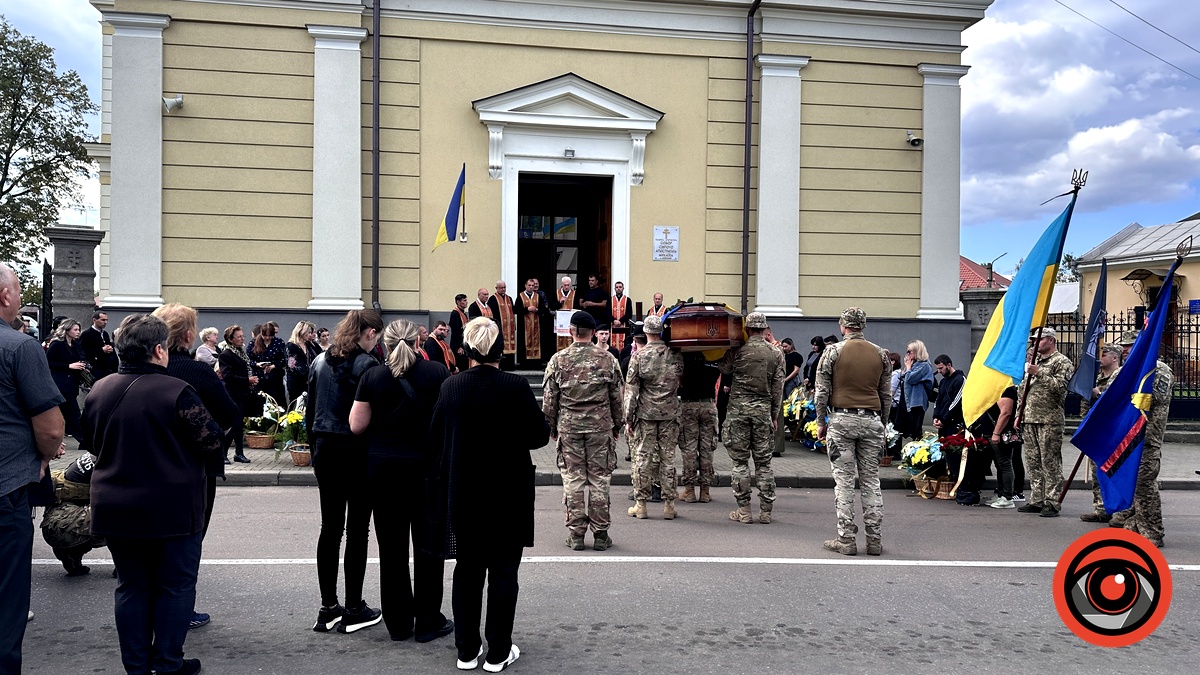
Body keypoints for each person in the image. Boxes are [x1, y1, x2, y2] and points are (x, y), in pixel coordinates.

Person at [83, 314, 225, 675]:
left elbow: (89, 441)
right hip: (172, 508)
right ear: (159, 349)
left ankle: (136, 666)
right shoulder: (176, 391)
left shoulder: (100, 389)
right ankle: (167, 663)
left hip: (115, 506)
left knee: (131, 586)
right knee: (175, 586)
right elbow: (211, 442)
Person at [431, 317, 549, 672]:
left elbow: (436, 434)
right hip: (507, 493)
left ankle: (466, 650)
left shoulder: (451, 387)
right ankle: (498, 651)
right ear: (501, 350)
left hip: (464, 491)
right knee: (502, 573)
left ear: (466, 351)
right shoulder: (514, 387)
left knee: (467, 572)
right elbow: (538, 437)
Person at [349, 319, 453, 642]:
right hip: (426, 471)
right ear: (418, 343)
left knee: (392, 549)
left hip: (384, 471)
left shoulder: (372, 376)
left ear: (386, 344)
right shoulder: (436, 373)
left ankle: (398, 623)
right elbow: (447, 420)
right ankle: (427, 621)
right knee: (428, 548)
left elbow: (356, 425)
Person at [152, 303, 240, 630]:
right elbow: (230, 414)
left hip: (151, 467)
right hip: (195, 467)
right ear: (189, 335)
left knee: (156, 541)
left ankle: (158, 605)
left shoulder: (145, 369)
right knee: (189, 541)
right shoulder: (197, 372)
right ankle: (179, 609)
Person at [0, 263, 65, 673]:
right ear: (5, 296)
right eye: (20, 289)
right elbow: (52, 427)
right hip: (6, 490)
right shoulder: (19, 347)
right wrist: (43, 456)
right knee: (6, 602)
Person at [306, 309, 384, 634]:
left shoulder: (320, 360)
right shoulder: (367, 365)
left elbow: (310, 409)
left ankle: (328, 607)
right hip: (355, 452)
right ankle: (353, 607)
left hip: (325, 449)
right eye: (377, 336)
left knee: (330, 527)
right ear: (369, 333)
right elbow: (374, 416)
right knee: (357, 530)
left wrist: (314, 452)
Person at [543, 311, 623, 551]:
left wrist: (552, 426)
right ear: (591, 333)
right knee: (599, 479)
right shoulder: (608, 359)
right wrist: (617, 425)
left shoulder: (558, 360)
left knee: (573, 478)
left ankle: (576, 534)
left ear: (571, 331)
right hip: (600, 428)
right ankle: (600, 534)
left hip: (569, 428)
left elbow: (549, 399)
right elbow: (617, 398)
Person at [814, 307, 891, 556]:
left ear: (843, 326)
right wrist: (883, 425)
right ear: (863, 326)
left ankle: (846, 539)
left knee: (844, 482)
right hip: (872, 422)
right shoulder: (881, 354)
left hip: (842, 420)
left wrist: (820, 421)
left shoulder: (833, 352)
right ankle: (874, 540)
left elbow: (821, 391)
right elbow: (886, 396)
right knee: (871, 481)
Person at [718, 312, 785, 524]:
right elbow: (778, 388)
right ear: (765, 329)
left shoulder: (737, 349)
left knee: (739, 462)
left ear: (747, 328)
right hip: (763, 411)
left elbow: (723, 368)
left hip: (738, 411)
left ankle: (744, 510)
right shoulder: (776, 353)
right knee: (764, 463)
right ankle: (766, 512)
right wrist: (774, 415)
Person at [624, 314, 684, 520]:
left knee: (643, 457)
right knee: (668, 459)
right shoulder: (674, 354)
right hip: (669, 413)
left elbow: (631, 391)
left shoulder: (638, 356)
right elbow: (679, 380)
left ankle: (641, 504)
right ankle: (669, 505)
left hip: (646, 414)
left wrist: (628, 419)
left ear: (646, 333)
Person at [1016, 327, 1074, 518]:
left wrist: (1039, 373)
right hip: (1030, 418)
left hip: (1049, 420)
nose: (1034, 343)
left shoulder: (1061, 362)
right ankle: (1037, 499)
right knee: (1033, 461)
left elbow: (1061, 388)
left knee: (1050, 461)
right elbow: (1022, 390)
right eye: (1033, 340)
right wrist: (1018, 414)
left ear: (1050, 340)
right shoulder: (1034, 361)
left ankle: (1052, 501)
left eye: (1039, 340)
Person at [41, 451, 106, 576]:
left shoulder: (101, 449)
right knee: (127, 513)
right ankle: (126, 565)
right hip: (64, 525)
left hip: (59, 520)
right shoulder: (116, 458)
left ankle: (71, 555)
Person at [1079, 344, 1121, 523]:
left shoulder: (1120, 378)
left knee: (1113, 473)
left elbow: (1118, 402)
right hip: (1097, 433)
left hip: (1114, 433)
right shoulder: (1096, 379)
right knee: (1097, 472)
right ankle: (1100, 508)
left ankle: (1118, 510)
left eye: (1104, 355)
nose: (1100, 358)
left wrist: (1099, 393)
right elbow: (1085, 404)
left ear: (1114, 358)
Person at [678, 352, 720, 503]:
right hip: (708, 404)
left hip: (688, 404)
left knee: (689, 449)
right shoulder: (715, 355)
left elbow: (679, 379)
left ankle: (689, 490)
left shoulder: (684, 355)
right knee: (707, 449)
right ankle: (705, 491)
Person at [46, 318, 90, 446]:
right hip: (61, 382)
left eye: (79, 330)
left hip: (72, 382)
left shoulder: (75, 344)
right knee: (73, 412)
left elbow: (81, 357)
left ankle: (81, 439)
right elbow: (49, 362)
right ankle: (84, 441)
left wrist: (83, 366)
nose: (78, 332)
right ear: (67, 330)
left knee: (67, 413)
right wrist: (68, 366)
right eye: (75, 330)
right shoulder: (57, 344)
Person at [217, 325, 257, 463]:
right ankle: (223, 453)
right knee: (234, 424)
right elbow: (228, 376)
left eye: (242, 336)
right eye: (239, 337)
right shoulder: (226, 354)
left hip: (243, 393)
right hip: (233, 394)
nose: (242, 339)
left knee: (239, 425)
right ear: (230, 339)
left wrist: (250, 380)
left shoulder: (241, 352)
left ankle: (239, 453)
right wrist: (247, 380)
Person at [983, 385, 1019, 509]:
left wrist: (996, 433)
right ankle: (1001, 493)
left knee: (1004, 463)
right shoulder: (998, 387)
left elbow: (1006, 413)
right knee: (999, 464)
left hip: (1001, 433)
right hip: (994, 431)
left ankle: (1007, 497)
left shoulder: (1007, 389)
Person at [246, 321, 287, 405]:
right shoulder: (253, 343)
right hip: (259, 379)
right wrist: (257, 364)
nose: (267, 338)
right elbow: (247, 360)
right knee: (259, 403)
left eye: (270, 335)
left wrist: (274, 365)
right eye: (265, 335)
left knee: (277, 403)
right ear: (261, 333)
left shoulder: (279, 342)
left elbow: (285, 358)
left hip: (276, 379)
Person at [900, 340, 934, 440]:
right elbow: (903, 376)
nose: (907, 354)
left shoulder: (924, 366)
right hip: (909, 399)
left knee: (916, 429)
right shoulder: (915, 364)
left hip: (917, 401)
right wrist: (907, 369)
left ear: (917, 351)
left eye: (909, 351)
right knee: (909, 428)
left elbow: (910, 379)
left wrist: (908, 367)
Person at [515, 278, 550, 367]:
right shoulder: (521, 296)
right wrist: (527, 309)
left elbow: (544, 310)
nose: (531, 287)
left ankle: (536, 362)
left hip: (536, 324)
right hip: (524, 325)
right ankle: (525, 363)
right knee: (524, 342)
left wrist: (537, 310)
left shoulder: (538, 296)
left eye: (532, 286)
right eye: (529, 285)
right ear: (525, 286)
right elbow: (516, 310)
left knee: (537, 341)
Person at [285, 320, 320, 405]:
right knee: (297, 405)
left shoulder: (310, 345)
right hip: (296, 381)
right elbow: (293, 365)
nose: (310, 335)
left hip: (309, 381)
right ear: (301, 332)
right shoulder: (291, 346)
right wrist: (309, 374)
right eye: (308, 333)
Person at [931, 355, 965, 437]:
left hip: (954, 422)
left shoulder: (960, 379)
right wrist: (936, 416)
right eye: (937, 368)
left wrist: (943, 419)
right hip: (943, 422)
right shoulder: (943, 381)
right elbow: (938, 400)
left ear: (949, 365)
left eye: (941, 368)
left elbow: (956, 402)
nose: (939, 371)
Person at [80, 310, 119, 380]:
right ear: (94, 320)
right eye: (103, 320)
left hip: (107, 369)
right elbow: (84, 351)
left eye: (106, 320)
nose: (105, 322)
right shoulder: (87, 334)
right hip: (95, 369)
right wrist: (101, 350)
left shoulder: (105, 334)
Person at [488, 281, 518, 369]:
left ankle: (510, 365)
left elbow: (513, 311)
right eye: (501, 288)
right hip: (500, 327)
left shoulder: (509, 298)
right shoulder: (493, 299)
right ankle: (502, 365)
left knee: (510, 346)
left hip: (509, 328)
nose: (503, 289)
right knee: (501, 346)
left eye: (504, 287)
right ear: (496, 288)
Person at [553, 276, 576, 353]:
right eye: (565, 285)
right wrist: (560, 302)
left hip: (571, 321)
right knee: (559, 339)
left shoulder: (574, 294)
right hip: (560, 321)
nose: (566, 287)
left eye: (568, 285)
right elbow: (552, 306)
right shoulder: (556, 293)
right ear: (561, 285)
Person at [449, 293, 470, 372]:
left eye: (466, 300)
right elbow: (455, 331)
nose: (466, 302)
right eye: (464, 300)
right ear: (458, 302)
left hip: (463, 343)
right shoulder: (455, 313)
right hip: (458, 345)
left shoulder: (463, 313)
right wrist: (459, 346)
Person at [609, 281, 632, 352]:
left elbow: (629, 313)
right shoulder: (610, 300)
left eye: (620, 287)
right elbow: (607, 313)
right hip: (613, 326)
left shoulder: (627, 300)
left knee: (624, 344)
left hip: (624, 326)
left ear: (623, 288)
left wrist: (620, 321)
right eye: (617, 287)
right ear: (614, 289)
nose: (618, 289)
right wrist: (613, 320)